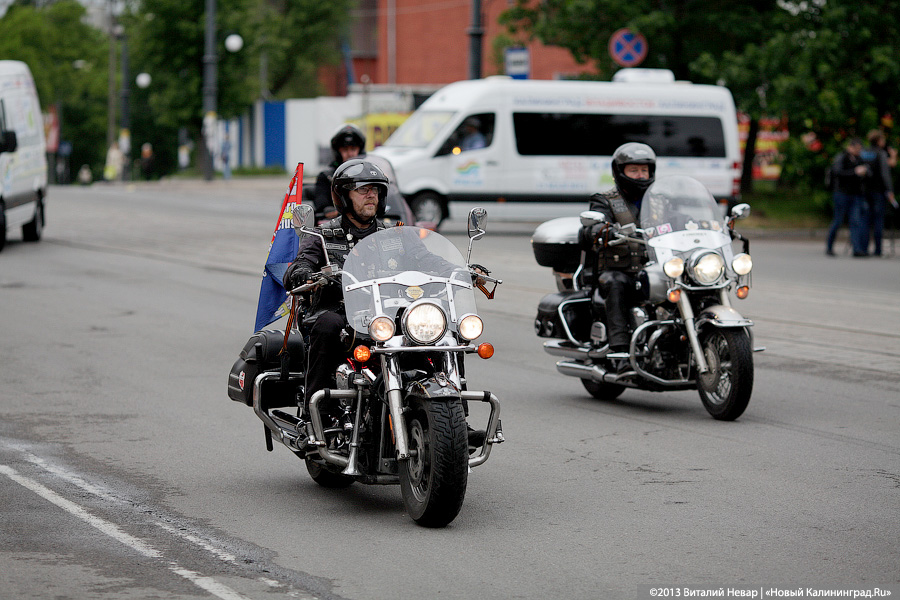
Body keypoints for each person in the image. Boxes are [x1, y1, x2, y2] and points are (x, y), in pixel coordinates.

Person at [580, 142, 655, 367]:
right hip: (620, 270)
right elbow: (591, 227)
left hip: (655, 269)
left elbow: (681, 217)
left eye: (644, 170)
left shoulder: (660, 199)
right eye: (634, 170)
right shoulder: (605, 199)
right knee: (616, 283)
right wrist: (602, 230)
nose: (640, 175)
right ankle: (620, 350)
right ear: (620, 172)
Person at [826, 138, 870, 257]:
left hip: (855, 194)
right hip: (841, 193)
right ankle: (829, 246)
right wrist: (854, 172)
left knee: (855, 221)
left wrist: (865, 172)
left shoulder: (859, 159)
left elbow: (868, 172)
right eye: (857, 149)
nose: (858, 151)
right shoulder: (842, 158)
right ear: (850, 147)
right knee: (838, 220)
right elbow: (837, 172)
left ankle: (857, 249)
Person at [312, 124, 366, 220]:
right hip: (340, 223)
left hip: (368, 221)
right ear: (337, 152)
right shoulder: (327, 176)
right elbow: (321, 200)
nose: (350, 154)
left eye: (353, 149)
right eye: (345, 150)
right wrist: (327, 209)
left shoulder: (369, 174)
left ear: (360, 150)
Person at [860, 130, 897, 256]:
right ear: (879, 141)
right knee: (878, 221)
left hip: (864, 191)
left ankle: (863, 248)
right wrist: (890, 190)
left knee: (865, 220)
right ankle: (877, 250)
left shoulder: (864, 152)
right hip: (878, 192)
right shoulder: (880, 153)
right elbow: (885, 174)